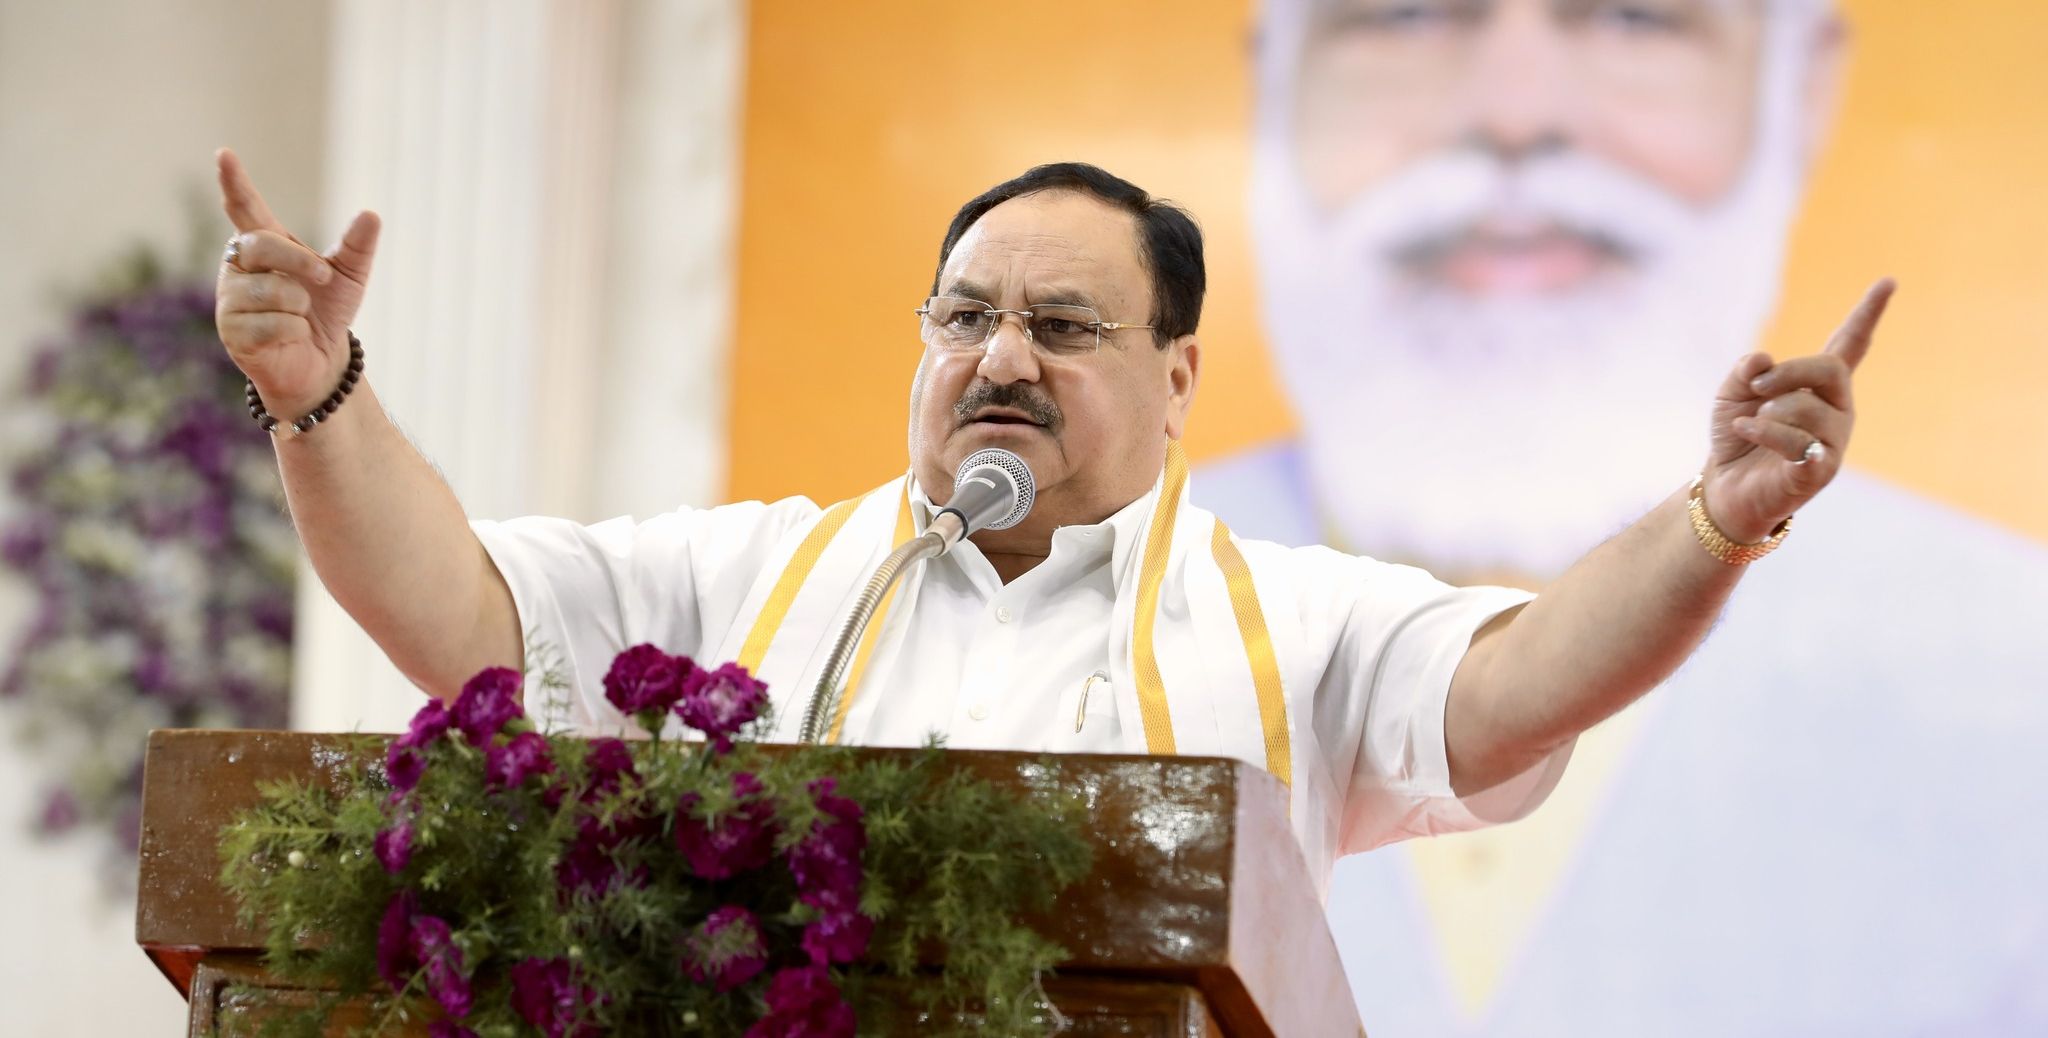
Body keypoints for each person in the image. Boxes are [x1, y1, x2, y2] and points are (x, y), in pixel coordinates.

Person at [212, 148, 1886, 909]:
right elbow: (459, 618)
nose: (998, 357)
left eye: (1063, 328)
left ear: (1175, 380)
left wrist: (1709, 522)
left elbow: (1522, 679)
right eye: (962, 316)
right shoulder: (743, 579)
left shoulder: (1287, 620)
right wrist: (317, 390)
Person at [1208, 0, 2048, 1031]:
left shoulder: (2017, 663)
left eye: (1633, 18)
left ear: (1799, 89)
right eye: (1408, 13)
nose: (1513, 116)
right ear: (1273, 81)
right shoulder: (1047, 611)